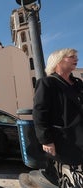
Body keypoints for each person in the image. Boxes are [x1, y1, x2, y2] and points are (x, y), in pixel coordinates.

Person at [33, 48, 83, 187]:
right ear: (58, 61)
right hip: (66, 143)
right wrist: (46, 140)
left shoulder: (78, 83)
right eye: (71, 56)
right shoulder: (47, 83)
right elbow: (39, 113)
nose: (76, 59)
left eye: (76, 56)